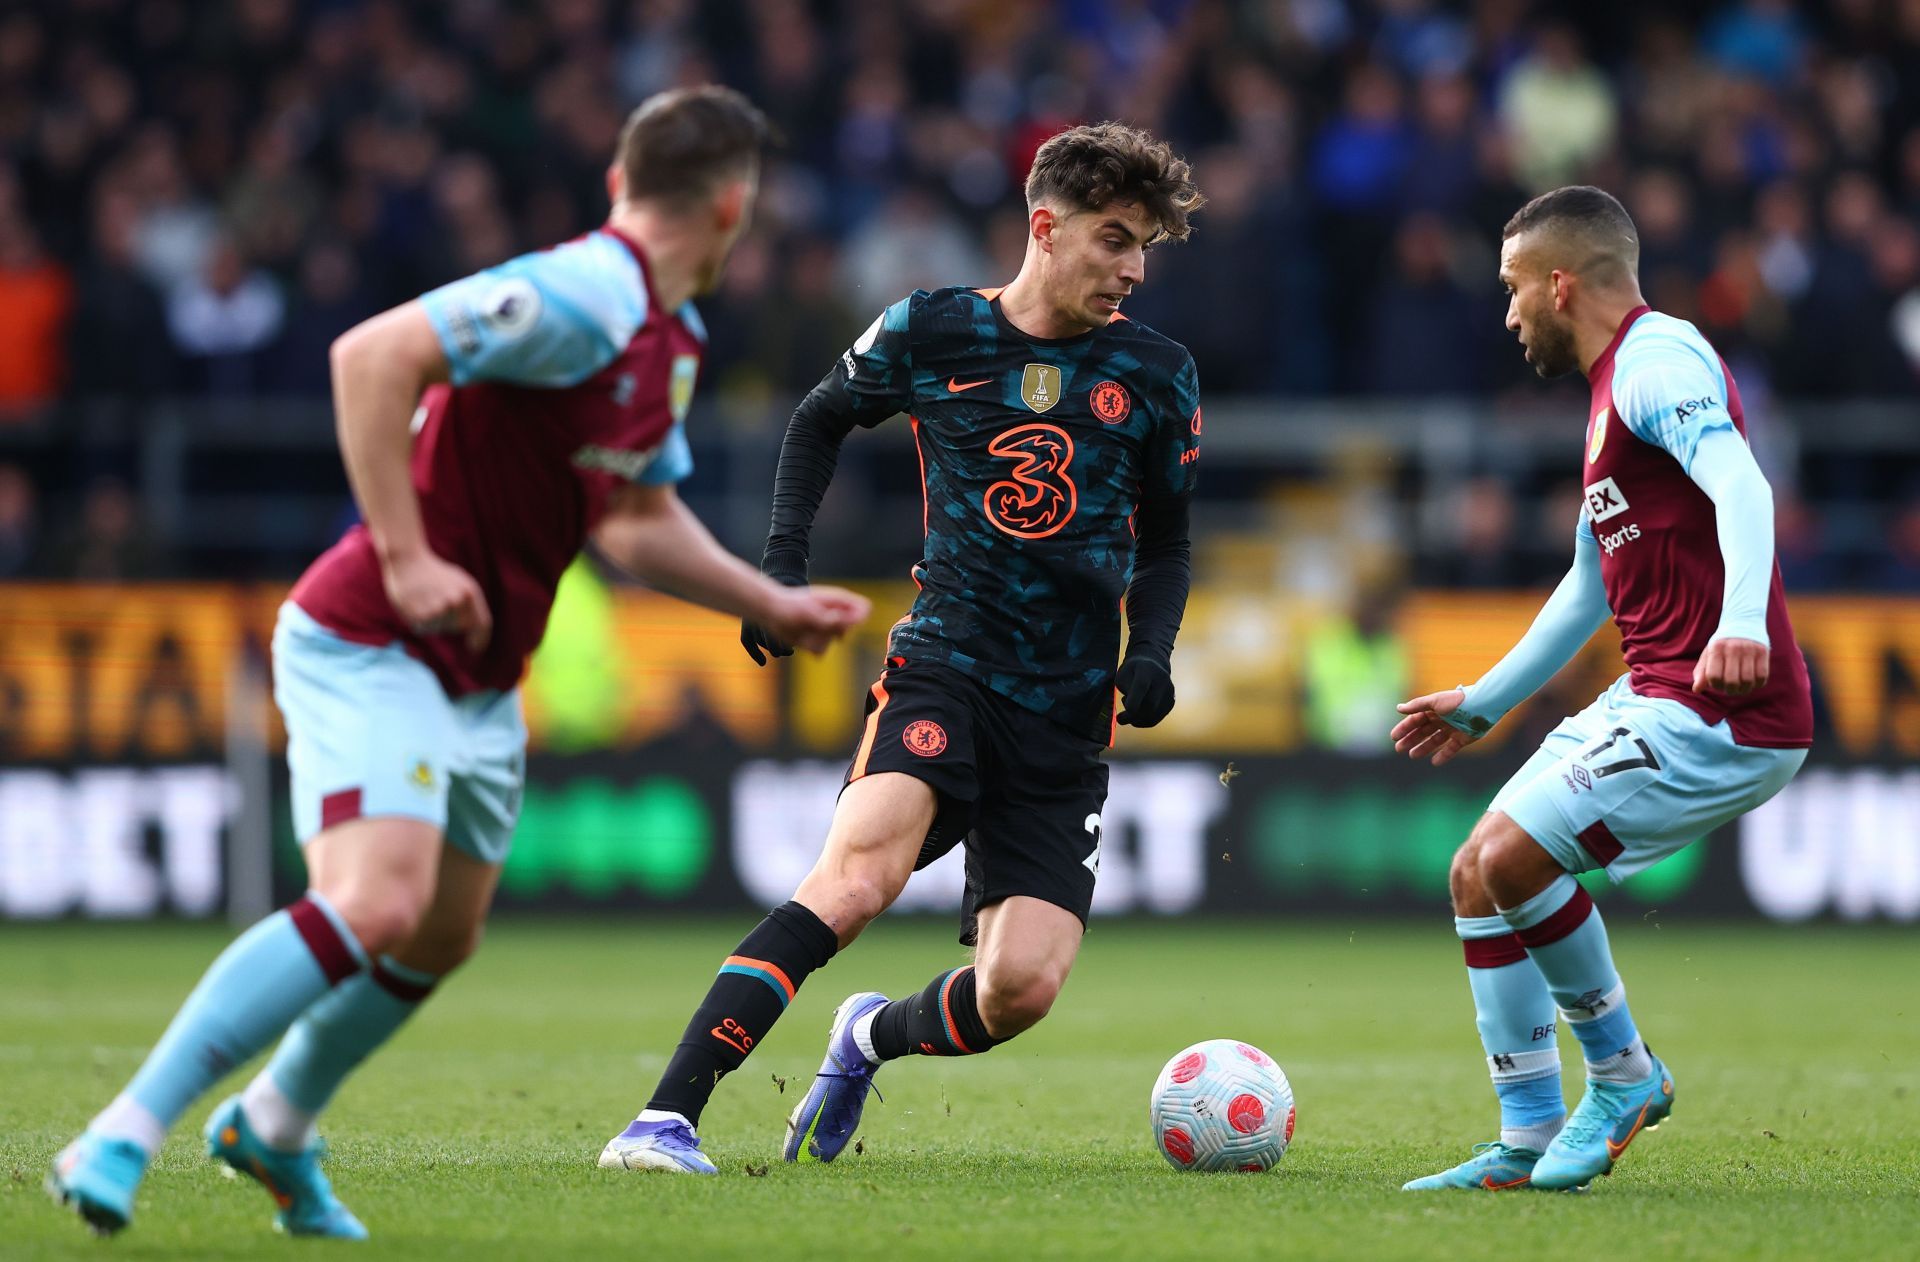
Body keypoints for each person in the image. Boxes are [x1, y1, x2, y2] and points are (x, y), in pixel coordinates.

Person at [47, 85, 869, 1239]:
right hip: (373, 632)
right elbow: (368, 357)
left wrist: (767, 596)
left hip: (478, 679)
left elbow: (632, 520)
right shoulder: (587, 291)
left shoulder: (667, 335)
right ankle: (124, 1127)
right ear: (737, 202)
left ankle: (276, 1121)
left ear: (620, 179)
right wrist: (404, 549)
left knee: (440, 932)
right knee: (375, 899)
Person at [598, 122, 1206, 1174]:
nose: (1133, 268)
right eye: (1115, 239)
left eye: (1145, 245)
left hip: (1066, 709)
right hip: (948, 661)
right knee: (857, 876)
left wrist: (1149, 650)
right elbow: (818, 420)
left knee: (1021, 989)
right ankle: (663, 1116)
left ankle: (865, 1038)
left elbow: (1169, 538)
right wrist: (779, 565)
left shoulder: (1157, 373)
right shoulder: (932, 330)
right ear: (1045, 226)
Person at [1393, 185, 1811, 1193]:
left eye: (1511, 290)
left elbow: (1745, 485)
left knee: (1514, 854)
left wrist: (1745, 622)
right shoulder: (1609, 390)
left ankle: (1624, 1074)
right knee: (1475, 873)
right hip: (1657, 687)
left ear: (1559, 282)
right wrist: (1487, 699)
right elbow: (1590, 581)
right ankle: (1529, 1129)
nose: (1506, 315)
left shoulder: (1656, 363)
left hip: (1725, 705)